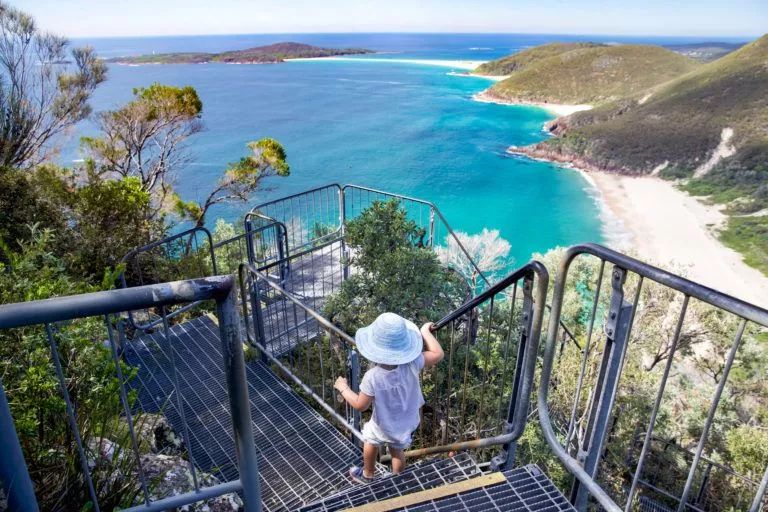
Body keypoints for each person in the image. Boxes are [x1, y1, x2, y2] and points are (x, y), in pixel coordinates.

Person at [333, 312, 444, 484]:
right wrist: (425, 332)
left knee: (370, 439)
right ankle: (397, 480)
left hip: (384, 423)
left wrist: (343, 388)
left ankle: (368, 475)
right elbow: (438, 354)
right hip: (407, 421)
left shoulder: (373, 377)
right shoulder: (413, 363)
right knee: (397, 449)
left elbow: (360, 405)